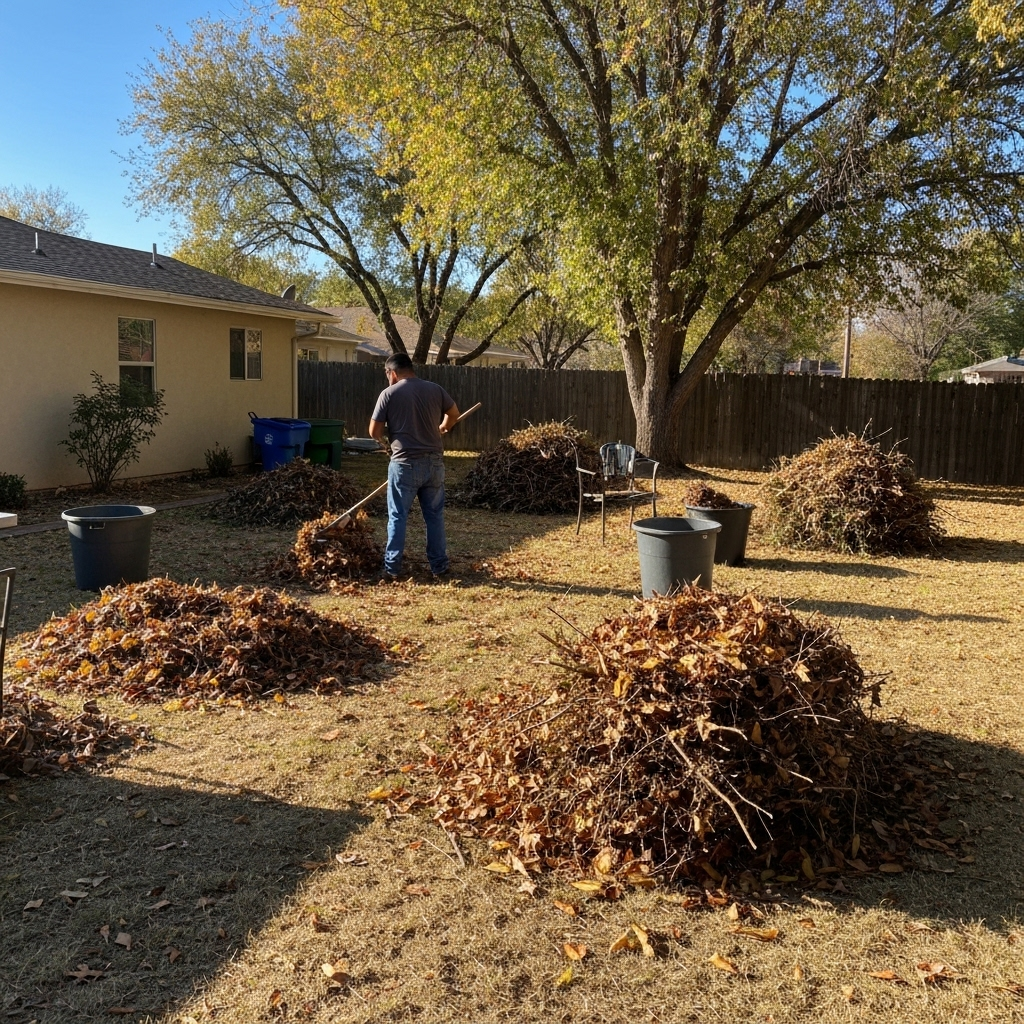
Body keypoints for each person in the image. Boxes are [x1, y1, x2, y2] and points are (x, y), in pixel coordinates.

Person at [369, 352, 460, 578]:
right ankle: (440, 566)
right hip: (434, 464)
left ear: (392, 372)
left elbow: (374, 431)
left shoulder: (388, 394)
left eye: (387, 375)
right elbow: (454, 413)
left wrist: (384, 440)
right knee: (434, 516)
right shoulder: (434, 389)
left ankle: (392, 569)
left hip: (405, 464)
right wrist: (443, 427)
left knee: (398, 516)